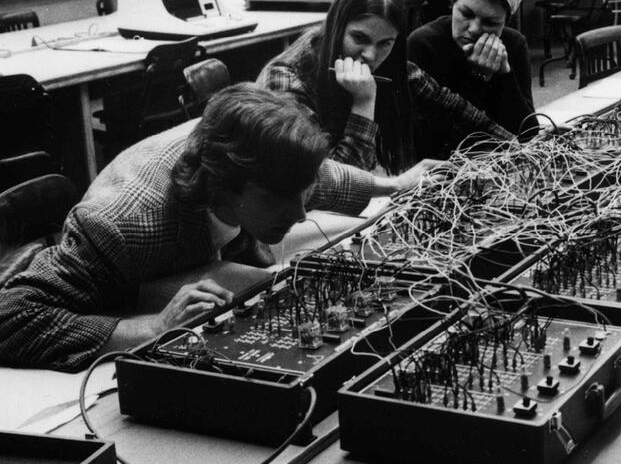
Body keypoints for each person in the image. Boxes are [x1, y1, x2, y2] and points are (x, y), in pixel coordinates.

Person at [0, 83, 435, 372]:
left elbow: (317, 178)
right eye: (280, 200)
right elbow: (11, 316)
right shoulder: (123, 225)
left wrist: (393, 184)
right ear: (224, 189)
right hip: (130, 275)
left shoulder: (263, 170)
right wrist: (151, 328)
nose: (301, 215)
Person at [258, 0, 524, 173]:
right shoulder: (285, 79)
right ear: (337, 26)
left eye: (385, 43)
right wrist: (363, 104)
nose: (371, 56)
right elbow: (329, 182)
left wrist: (524, 152)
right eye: (359, 37)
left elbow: (460, 112)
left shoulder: (393, 68)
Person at [408, 0, 536, 154]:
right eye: (466, 14)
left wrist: (504, 76)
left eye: (490, 22)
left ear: (505, 22)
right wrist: (479, 77)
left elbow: (528, 135)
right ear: (453, 2)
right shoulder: (423, 44)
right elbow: (431, 140)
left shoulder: (514, 44)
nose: (475, 29)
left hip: (500, 165)